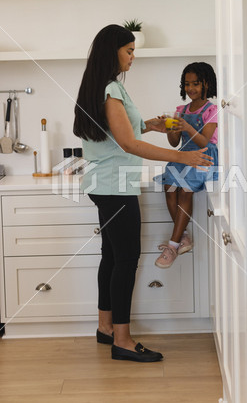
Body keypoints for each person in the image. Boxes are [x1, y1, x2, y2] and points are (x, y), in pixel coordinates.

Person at [73, 25, 213, 363]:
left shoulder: (100, 87)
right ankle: (123, 340)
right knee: (124, 260)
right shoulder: (111, 89)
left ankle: (105, 328)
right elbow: (128, 144)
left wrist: (150, 124)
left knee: (111, 256)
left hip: (102, 184)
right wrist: (183, 156)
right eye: (130, 51)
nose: (133, 57)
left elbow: (120, 131)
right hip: (115, 186)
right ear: (114, 52)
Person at [153, 62, 218, 269]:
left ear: (207, 83)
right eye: (187, 84)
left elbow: (204, 142)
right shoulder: (180, 110)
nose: (190, 88)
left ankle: (172, 245)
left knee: (186, 190)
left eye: (196, 84)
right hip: (184, 155)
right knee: (169, 187)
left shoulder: (213, 110)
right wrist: (170, 128)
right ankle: (184, 237)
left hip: (203, 155)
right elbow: (174, 143)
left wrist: (187, 126)